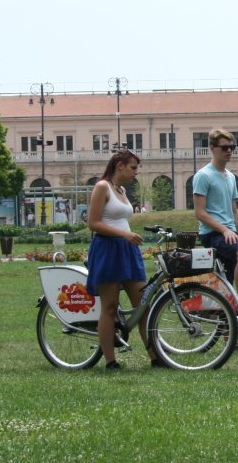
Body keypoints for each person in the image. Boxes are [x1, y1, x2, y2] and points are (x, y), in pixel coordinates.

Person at [85, 149, 162, 369]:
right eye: (133, 168)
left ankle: (155, 357)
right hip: (108, 248)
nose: (136, 173)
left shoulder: (122, 190)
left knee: (143, 304)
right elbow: (93, 223)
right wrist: (124, 234)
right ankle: (110, 360)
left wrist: (127, 236)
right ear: (120, 165)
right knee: (109, 306)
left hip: (127, 250)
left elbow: (120, 218)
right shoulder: (102, 187)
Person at [193, 129, 238, 325]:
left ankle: (228, 337)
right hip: (212, 234)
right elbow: (200, 213)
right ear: (212, 148)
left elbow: (234, 212)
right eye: (224, 148)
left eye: (232, 147)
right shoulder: (203, 176)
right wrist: (224, 230)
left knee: (227, 285)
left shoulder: (231, 177)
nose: (229, 151)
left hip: (229, 234)